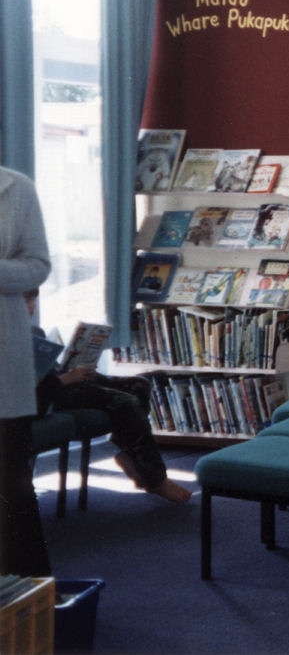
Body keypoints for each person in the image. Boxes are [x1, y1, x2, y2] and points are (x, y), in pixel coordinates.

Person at [29, 290, 191, 504]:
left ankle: (129, 453)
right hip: (50, 395)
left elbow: (46, 369)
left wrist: (77, 367)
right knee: (125, 402)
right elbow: (29, 387)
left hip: (62, 380)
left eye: (32, 299)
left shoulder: (32, 332)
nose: (31, 305)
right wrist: (67, 378)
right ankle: (155, 479)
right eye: (25, 299)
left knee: (138, 385)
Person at [1, 166, 54, 575]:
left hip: (4, 367)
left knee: (12, 489)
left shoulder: (16, 188)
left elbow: (38, 266)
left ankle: (32, 598)